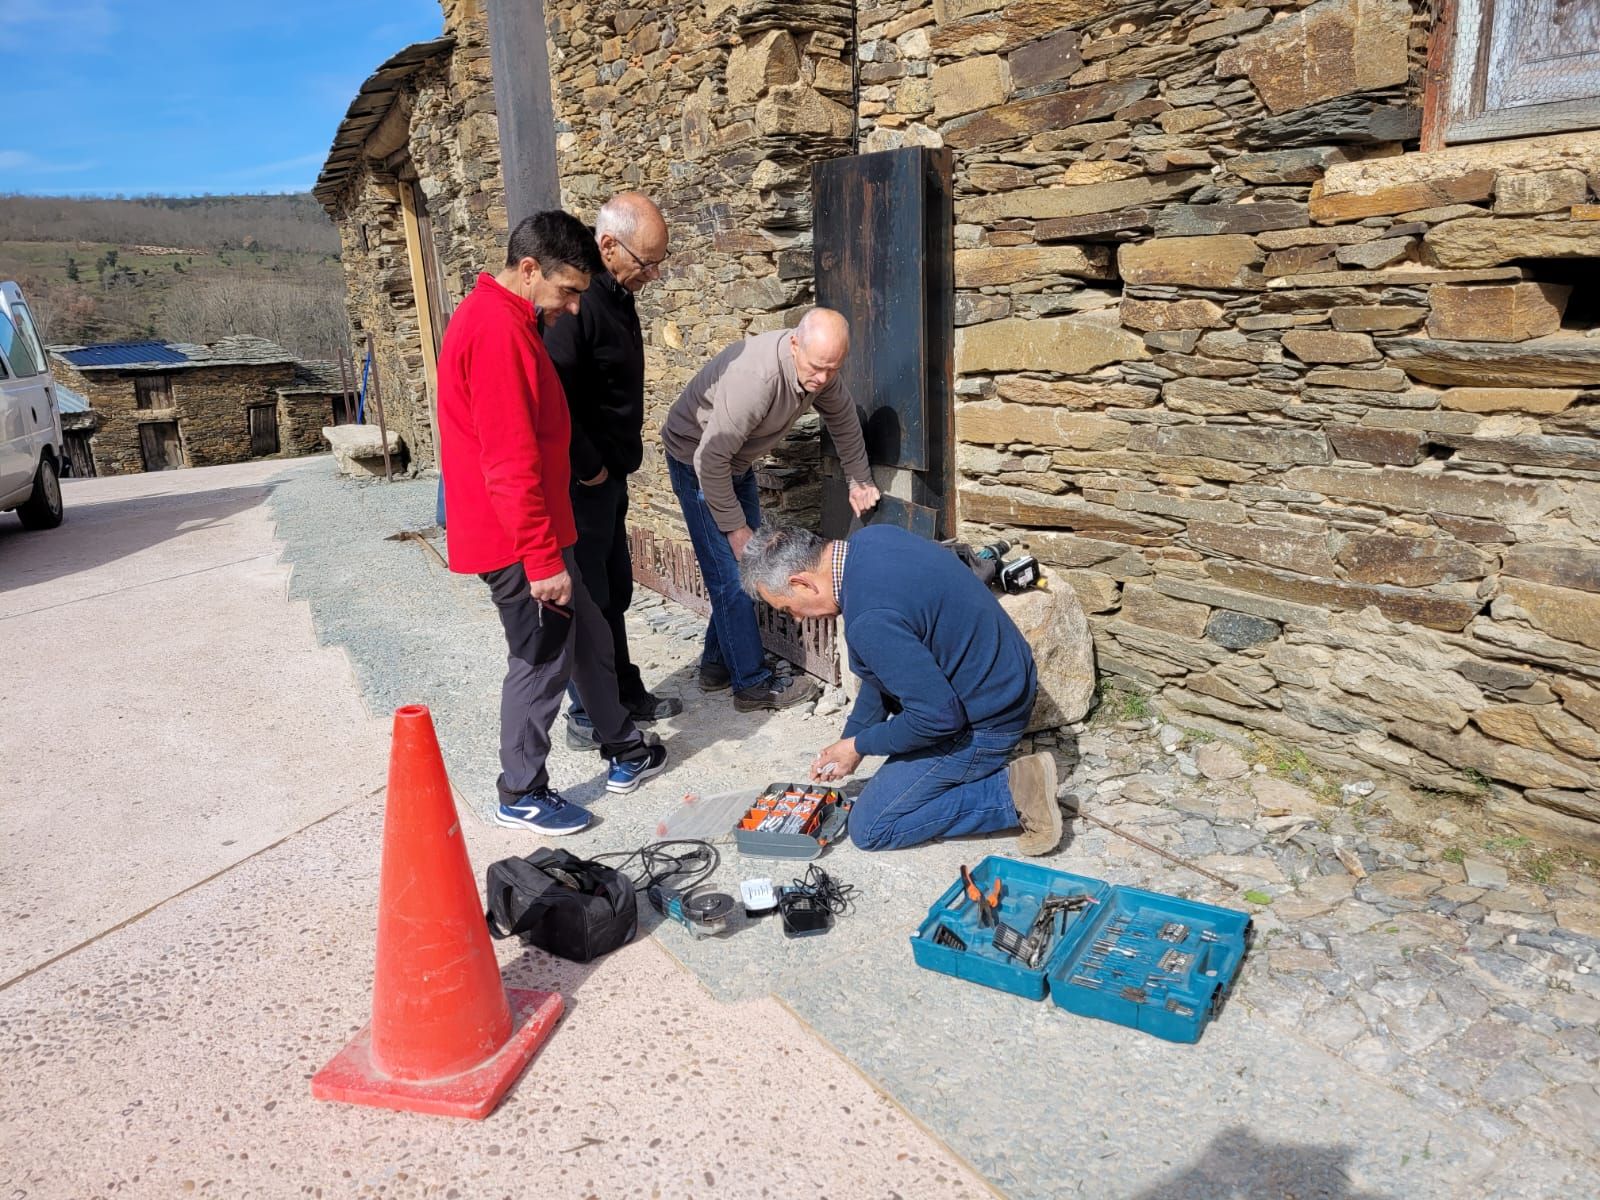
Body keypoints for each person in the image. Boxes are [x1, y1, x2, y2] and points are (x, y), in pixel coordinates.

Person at [437, 210, 669, 836]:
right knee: (541, 658)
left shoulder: (512, 318)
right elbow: (508, 462)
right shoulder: (497, 332)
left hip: (545, 530)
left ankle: (623, 747)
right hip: (516, 539)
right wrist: (541, 560)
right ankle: (521, 790)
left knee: (590, 633)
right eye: (567, 292)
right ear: (530, 269)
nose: (571, 309)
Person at [738, 523, 1061, 855]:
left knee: (871, 827)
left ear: (802, 583)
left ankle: (1014, 795)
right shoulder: (871, 539)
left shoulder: (870, 619)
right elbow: (886, 673)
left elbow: (938, 719)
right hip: (1006, 682)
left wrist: (862, 743)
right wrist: (854, 740)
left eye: (787, 608)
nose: (795, 619)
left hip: (988, 725)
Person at [661, 309, 880, 711]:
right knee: (736, 573)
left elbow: (844, 419)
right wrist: (734, 529)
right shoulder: (756, 380)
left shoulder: (820, 369)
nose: (823, 379)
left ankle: (715, 666)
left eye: (833, 369)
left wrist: (859, 480)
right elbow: (709, 462)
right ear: (795, 344)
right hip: (697, 460)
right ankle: (753, 686)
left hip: (736, 461)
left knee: (743, 568)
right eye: (817, 368)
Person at [543, 192, 683, 753]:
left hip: (611, 477)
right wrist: (591, 466)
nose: (652, 274)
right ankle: (586, 712)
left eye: (658, 263)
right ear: (608, 246)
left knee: (615, 590)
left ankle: (623, 689)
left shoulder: (618, 292)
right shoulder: (576, 303)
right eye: (645, 262)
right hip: (584, 482)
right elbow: (557, 397)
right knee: (592, 596)